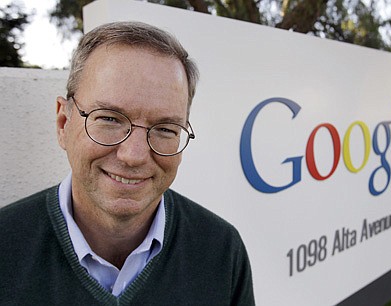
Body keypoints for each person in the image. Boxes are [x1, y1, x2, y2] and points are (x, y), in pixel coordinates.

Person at [0, 21, 255, 305]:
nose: (133, 156)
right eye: (109, 118)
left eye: (166, 129)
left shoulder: (220, 250)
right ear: (63, 124)